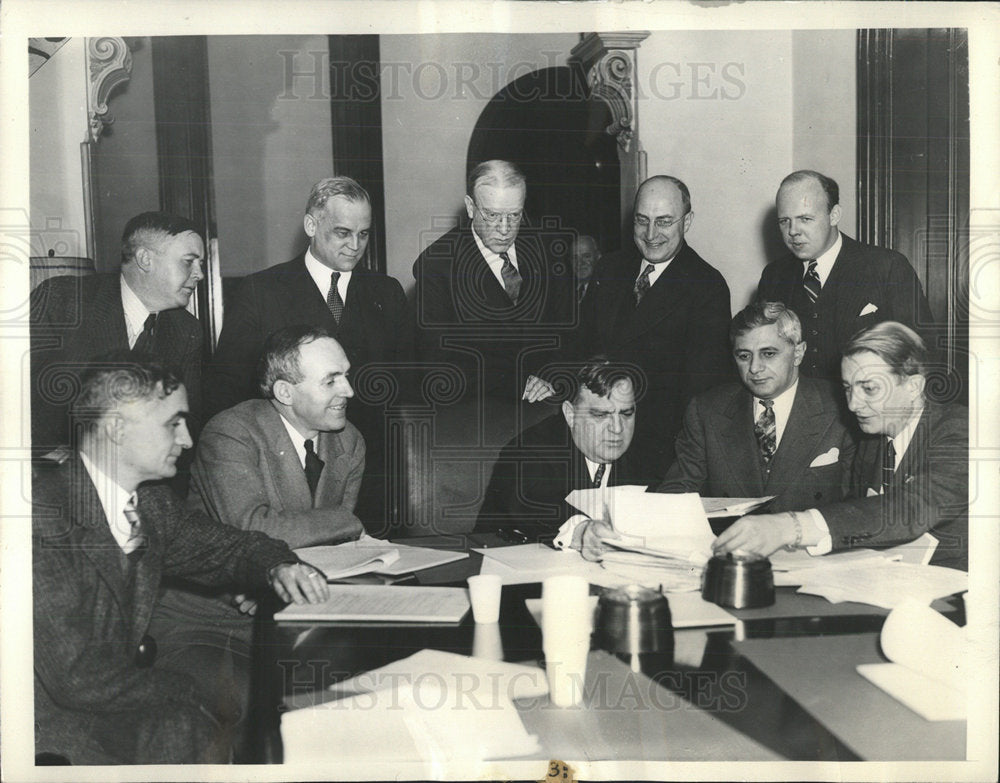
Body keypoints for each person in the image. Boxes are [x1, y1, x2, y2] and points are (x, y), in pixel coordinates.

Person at [32, 358, 328, 765]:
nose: (187, 440)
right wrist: (191, 691)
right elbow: (77, 677)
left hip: (114, 708)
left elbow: (229, 547)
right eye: (173, 423)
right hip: (46, 734)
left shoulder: (149, 504)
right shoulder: (42, 517)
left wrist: (278, 566)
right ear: (116, 430)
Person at [206, 176, 412, 532]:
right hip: (288, 471)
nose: (355, 246)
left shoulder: (388, 292)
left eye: (364, 234)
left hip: (373, 470)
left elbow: (409, 380)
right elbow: (229, 386)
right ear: (311, 225)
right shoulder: (261, 290)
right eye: (342, 232)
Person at [714, 322, 968, 570]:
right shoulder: (873, 442)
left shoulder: (961, 431)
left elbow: (914, 506)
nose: (853, 405)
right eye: (848, 389)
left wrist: (792, 526)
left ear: (913, 386)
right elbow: (857, 516)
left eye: (869, 389)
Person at [574, 175, 732, 479]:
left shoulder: (707, 286)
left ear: (687, 222)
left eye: (664, 222)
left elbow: (698, 395)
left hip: (656, 451)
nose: (650, 234)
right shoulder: (608, 269)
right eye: (642, 220)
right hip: (593, 437)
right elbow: (580, 347)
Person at [30, 211, 205, 453]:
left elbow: (187, 420)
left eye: (201, 264)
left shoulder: (186, 331)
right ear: (145, 259)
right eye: (188, 261)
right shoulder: (63, 301)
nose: (200, 274)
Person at [656, 301, 855, 513]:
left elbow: (859, 503)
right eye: (744, 356)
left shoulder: (843, 408)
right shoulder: (707, 411)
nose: (754, 368)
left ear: (798, 353)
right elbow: (676, 493)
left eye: (768, 353)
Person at [412, 159, 574, 405]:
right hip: (481, 413)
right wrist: (521, 385)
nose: (505, 229)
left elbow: (570, 333)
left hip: (550, 401)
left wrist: (551, 379)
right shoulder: (436, 266)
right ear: (470, 207)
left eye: (514, 215)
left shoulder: (549, 248)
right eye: (492, 215)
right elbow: (439, 364)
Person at [758, 170, 937, 381]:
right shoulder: (774, 275)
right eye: (784, 221)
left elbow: (921, 352)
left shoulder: (887, 267)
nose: (793, 231)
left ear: (834, 215)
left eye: (805, 219)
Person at [475, 357, 643, 553]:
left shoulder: (648, 452)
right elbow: (533, 502)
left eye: (626, 413)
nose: (617, 428)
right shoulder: (531, 447)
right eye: (600, 415)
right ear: (570, 415)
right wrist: (582, 531)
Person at [572, 233, 600, 302]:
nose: (580, 263)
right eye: (575, 258)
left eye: (586, 256)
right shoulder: (565, 292)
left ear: (598, 257)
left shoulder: (607, 290)